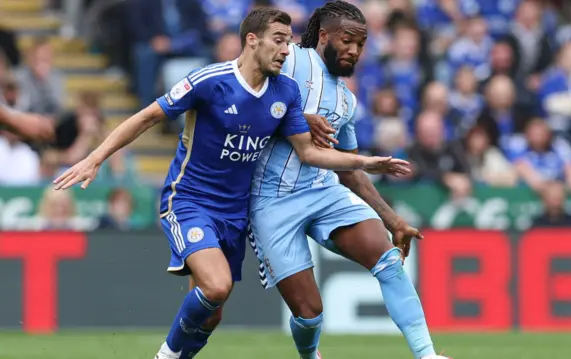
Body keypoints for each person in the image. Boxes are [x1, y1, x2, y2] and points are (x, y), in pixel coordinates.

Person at [51, 7, 410, 359]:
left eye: (288, 42)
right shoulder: (210, 81)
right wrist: (95, 158)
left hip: (235, 213)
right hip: (190, 201)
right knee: (217, 286)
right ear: (252, 41)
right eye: (279, 40)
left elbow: (310, 153)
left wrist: (364, 161)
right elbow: (147, 117)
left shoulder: (284, 93)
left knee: (212, 311)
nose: (287, 50)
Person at [185, 2, 445, 359]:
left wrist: (393, 219)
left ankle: (427, 355)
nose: (354, 50)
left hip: (322, 191)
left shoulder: (347, 101)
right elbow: (249, 98)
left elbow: (348, 170)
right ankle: (310, 355)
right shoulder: (290, 59)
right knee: (309, 314)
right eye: (347, 40)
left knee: (388, 261)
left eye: (361, 44)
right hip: (270, 201)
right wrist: (299, 117)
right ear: (324, 36)